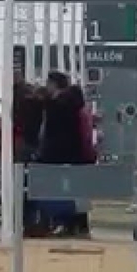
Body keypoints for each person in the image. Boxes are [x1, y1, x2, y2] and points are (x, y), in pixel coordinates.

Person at [37, 71, 90, 236]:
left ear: (54, 84)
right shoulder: (74, 103)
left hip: (58, 155)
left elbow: (53, 132)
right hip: (75, 154)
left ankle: (63, 222)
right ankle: (79, 225)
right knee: (75, 191)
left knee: (59, 191)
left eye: (48, 83)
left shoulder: (58, 105)